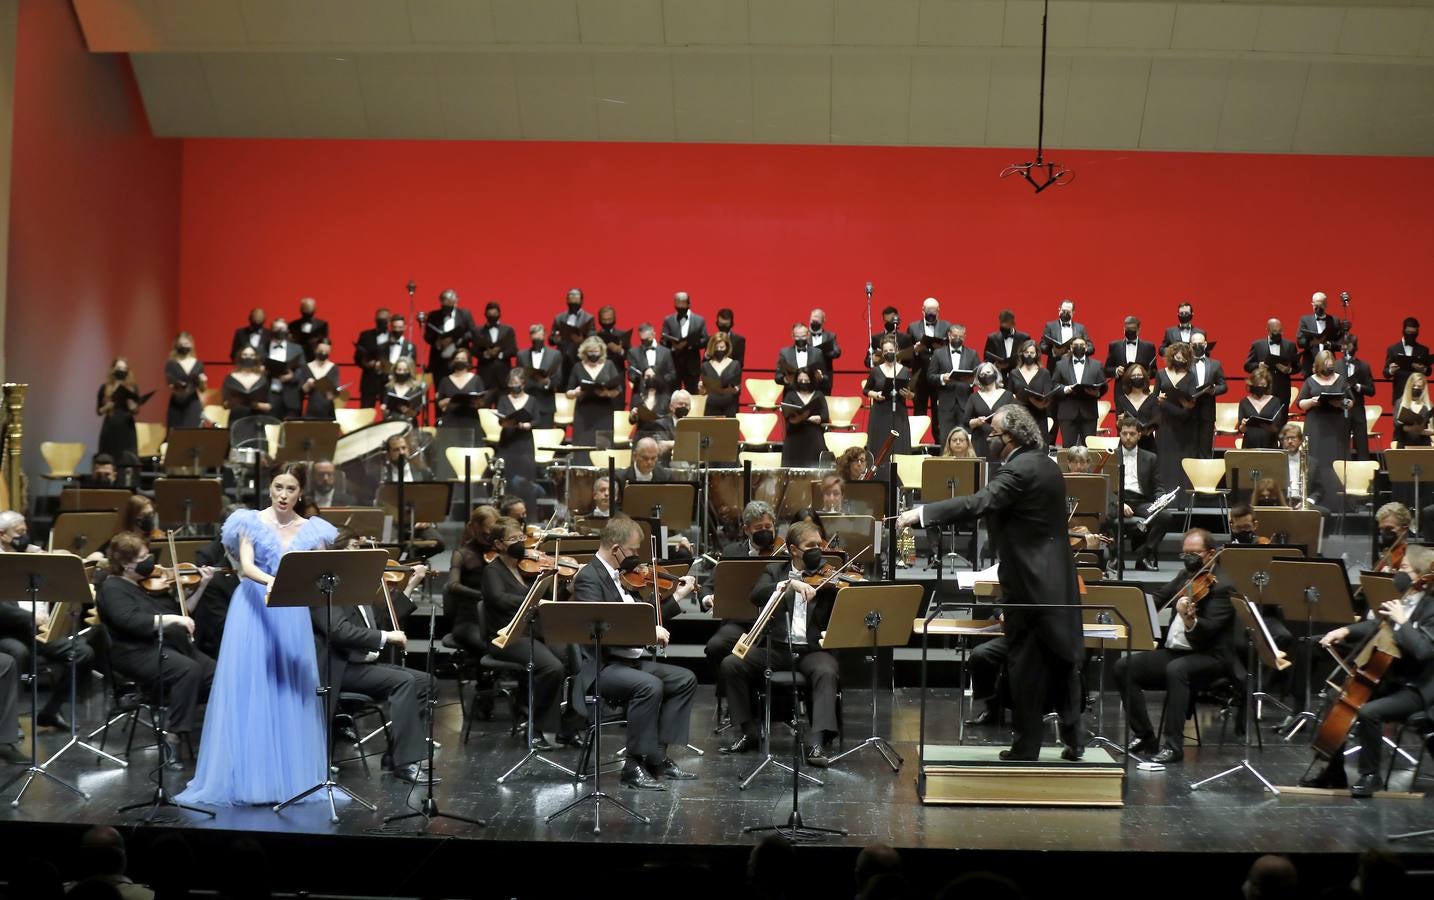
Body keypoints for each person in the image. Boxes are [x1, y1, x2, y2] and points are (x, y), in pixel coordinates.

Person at [897, 404, 1084, 761]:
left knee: (1026, 664)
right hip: (1056, 578)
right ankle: (1075, 739)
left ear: (1010, 436)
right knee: (1061, 660)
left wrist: (920, 514)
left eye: (993, 434)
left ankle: (1026, 748)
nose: (988, 440)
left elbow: (978, 503)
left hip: (1030, 583)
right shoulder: (1046, 463)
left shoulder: (1019, 469)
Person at [177, 464, 335, 805]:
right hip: (253, 608)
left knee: (289, 689)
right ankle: (247, 779)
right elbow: (246, 567)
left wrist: (305, 583)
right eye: (278, 486)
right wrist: (275, 582)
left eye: (290, 489)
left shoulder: (312, 530)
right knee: (252, 689)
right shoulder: (249, 521)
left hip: (290, 611)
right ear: (270, 488)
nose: (282, 494)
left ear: (300, 493)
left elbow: (321, 568)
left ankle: (289, 779)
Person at [570, 517, 699, 790]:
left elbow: (643, 614)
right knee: (649, 685)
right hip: (601, 665)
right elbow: (603, 628)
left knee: (684, 679)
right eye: (632, 551)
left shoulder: (620, 575)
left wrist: (676, 597)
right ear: (615, 548)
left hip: (627, 663)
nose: (636, 558)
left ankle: (657, 757)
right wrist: (646, 633)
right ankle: (633, 765)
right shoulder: (589, 578)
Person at [1305, 545, 1434, 796]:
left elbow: (1423, 651)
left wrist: (1403, 622)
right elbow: (1378, 625)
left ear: (1421, 574)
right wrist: (1345, 631)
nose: (1399, 571)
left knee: (1369, 712)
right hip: (1391, 677)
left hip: (1418, 687)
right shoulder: (1407, 596)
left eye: (1405, 567)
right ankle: (1334, 772)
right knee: (1337, 700)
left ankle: (1370, 775)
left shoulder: (1431, 608)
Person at [317, 528, 438, 784]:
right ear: (335, 552)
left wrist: (411, 586)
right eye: (353, 547)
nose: (360, 553)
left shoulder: (356, 585)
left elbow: (380, 622)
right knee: (404, 681)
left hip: (362, 664)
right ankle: (406, 763)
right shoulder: (327, 588)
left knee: (426, 682)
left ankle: (395, 755)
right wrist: (385, 638)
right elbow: (338, 631)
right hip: (342, 668)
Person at [719, 520, 843, 765]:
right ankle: (749, 732)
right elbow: (756, 595)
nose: (818, 550)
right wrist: (787, 585)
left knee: (826, 670)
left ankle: (816, 743)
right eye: (811, 545)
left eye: (819, 544)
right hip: (775, 648)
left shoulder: (828, 572)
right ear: (794, 550)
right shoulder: (774, 571)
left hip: (811, 649)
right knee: (731, 664)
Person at [1115, 528, 1241, 764]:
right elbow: (1159, 598)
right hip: (1177, 652)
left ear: (1211, 553)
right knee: (1124, 666)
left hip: (1211, 657)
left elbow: (1209, 631)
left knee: (1177, 670)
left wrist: (1190, 619)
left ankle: (1174, 746)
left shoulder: (1223, 587)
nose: (1189, 559)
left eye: (1194, 553)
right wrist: (1130, 601)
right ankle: (1145, 735)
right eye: (1185, 554)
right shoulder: (1187, 575)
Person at [98, 533, 216, 759]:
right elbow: (131, 621)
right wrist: (173, 620)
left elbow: (183, 612)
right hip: (136, 652)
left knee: (218, 675)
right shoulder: (112, 588)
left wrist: (202, 586)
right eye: (143, 557)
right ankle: (173, 736)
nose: (150, 561)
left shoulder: (146, 584)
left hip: (169, 645)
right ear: (125, 563)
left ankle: (208, 727)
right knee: (188, 671)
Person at [480, 519, 580, 750]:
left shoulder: (524, 568)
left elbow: (551, 599)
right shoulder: (492, 571)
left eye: (521, 538)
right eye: (513, 539)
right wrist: (534, 599)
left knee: (573, 657)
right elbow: (499, 599)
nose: (520, 543)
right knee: (551, 667)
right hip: (506, 638)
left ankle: (569, 727)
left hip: (533, 633)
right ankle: (535, 727)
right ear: (498, 544)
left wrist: (564, 586)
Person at [0, 510, 96, 731]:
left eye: (26, 531)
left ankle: (51, 711)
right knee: (17, 653)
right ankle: (7, 723)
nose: (24, 537)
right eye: (19, 533)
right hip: (8, 631)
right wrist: (30, 617)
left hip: (40, 630)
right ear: (2, 535)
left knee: (83, 653)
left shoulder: (32, 555)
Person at [700, 501, 781, 703]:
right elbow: (710, 584)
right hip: (740, 621)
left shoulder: (784, 552)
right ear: (746, 529)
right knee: (715, 646)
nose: (765, 531)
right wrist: (707, 598)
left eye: (768, 527)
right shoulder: (731, 552)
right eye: (758, 528)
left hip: (776, 623)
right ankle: (734, 697)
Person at [1296, 350, 1353, 508]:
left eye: (1331, 366)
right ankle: (1314, 499)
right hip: (1316, 426)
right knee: (1316, 462)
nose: (1329, 369)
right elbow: (1300, 403)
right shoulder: (1310, 381)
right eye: (1326, 366)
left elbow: (1351, 402)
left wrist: (1340, 403)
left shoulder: (1341, 379)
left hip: (1336, 426)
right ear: (1319, 365)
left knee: (1336, 462)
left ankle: (1338, 502)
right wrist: (1312, 402)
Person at [1114, 416, 1171, 571]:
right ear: (1120, 434)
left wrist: (1161, 498)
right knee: (1103, 513)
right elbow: (1105, 486)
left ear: (1139, 435)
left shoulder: (1150, 458)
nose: (1128, 437)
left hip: (1141, 501)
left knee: (1165, 516)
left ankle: (1144, 556)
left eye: (1132, 433)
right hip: (1117, 500)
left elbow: (1158, 486)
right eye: (1124, 433)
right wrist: (1119, 502)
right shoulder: (1111, 456)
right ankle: (1115, 558)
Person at [444, 505, 499, 658]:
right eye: (487, 533)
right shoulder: (462, 554)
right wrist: (482, 595)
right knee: (488, 646)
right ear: (475, 527)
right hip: (469, 620)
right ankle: (484, 680)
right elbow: (453, 585)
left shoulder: (501, 552)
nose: (490, 538)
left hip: (497, 619)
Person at [925, 427, 979, 569]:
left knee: (985, 516)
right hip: (947, 506)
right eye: (954, 440)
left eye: (961, 440)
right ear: (949, 443)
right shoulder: (940, 464)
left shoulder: (976, 463)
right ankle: (935, 556)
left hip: (967, 508)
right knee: (929, 514)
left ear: (968, 443)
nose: (958, 443)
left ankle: (973, 554)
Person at [1155, 342, 1199, 505]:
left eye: (1182, 358)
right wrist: (1162, 402)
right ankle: (1165, 500)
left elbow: (1191, 402)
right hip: (1165, 424)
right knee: (1165, 461)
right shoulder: (1161, 374)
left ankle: (1182, 501)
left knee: (1181, 463)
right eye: (1176, 357)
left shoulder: (1191, 375)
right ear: (1171, 357)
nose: (1179, 360)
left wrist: (1183, 405)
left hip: (1184, 424)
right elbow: (1155, 398)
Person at [567, 335, 623, 461]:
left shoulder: (609, 365)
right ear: (585, 352)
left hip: (604, 413)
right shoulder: (577, 367)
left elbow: (618, 390)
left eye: (596, 351)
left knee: (603, 452)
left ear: (601, 351)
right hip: (584, 414)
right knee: (582, 451)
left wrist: (607, 393)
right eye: (590, 352)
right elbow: (568, 392)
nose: (593, 354)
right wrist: (575, 392)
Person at [865, 334, 913, 468]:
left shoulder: (904, 371)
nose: (888, 353)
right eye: (885, 351)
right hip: (880, 413)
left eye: (891, 351)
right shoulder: (875, 371)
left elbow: (912, 394)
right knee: (879, 446)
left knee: (899, 446)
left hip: (899, 413)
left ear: (896, 351)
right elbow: (866, 390)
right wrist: (875, 394)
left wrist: (909, 395)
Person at [927, 323, 979, 442]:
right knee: (945, 439)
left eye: (961, 336)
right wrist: (941, 378)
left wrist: (972, 381)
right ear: (949, 335)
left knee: (966, 439)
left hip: (966, 403)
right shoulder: (938, 353)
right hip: (945, 403)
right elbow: (930, 377)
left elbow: (979, 375)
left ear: (965, 336)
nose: (958, 339)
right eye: (955, 336)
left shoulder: (972, 354)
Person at [495, 369, 540, 503]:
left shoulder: (532, 400)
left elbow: (537, 420)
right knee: (508, 476)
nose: (513, 385)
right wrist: (506, 423)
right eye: (511, 382)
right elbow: (500, 419)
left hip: (525, 443)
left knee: (526, 476)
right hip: (508, 442)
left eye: (516, 382)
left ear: (523, 383)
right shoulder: (503, 399)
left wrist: (528, 425)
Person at [1052, 336, 1106, 447]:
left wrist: (1097, 393)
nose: (1079, 347)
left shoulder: (1097, 365)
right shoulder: (1060, 365)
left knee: (1089, 449)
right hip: (1067, 413)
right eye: (1076, 345)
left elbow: (1103, 386)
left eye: (1082, 345)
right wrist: (1066, 389)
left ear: (1086, 347)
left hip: (1089, 413)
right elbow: (1053, 385)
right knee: (1068, 449)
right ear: (1071, 347)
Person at [906, 298, 950, 421]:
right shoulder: (913, 327)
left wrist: (942, 348)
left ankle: (939, 440)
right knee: (919, 412)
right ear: (923, 310)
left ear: (938, 310)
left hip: (938, 374)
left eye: (934, 310)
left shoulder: (947, 326)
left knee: (939, 413)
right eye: (929, 310)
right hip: (919, 375)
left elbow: (951, 350)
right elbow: (906, 353)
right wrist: (915, 349)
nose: (931, 312)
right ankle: (917, 440)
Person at [1188, 331, 1228, 457]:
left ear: (1205, 344)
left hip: (1207, 411)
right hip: (1188, 411)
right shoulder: (1185, 363)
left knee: (1205, 449)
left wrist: (1214, 390)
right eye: (1194, 344)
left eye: (1200, 343)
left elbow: (1224, 386)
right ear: (1190, 345)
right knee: (1189, 448)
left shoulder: (1215, 364)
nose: (1197, 346)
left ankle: (1205, 476)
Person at [472, 300, 518, 407]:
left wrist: (499, 354)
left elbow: (514, 350)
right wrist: (486, 354)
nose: (492, 316)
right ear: (485, 315)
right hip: (485, 379)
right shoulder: (477, 331)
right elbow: (473, 351)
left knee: (503, 413)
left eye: (495, 314)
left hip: (503, 379)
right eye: (490, 314)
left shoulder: (508, 330)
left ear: (499, 314)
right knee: (483, 412)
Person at [1007, 339, 1053, 444]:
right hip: (1019, 415)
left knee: (1039, 447)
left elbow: (1048, 396)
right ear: (1022, 354)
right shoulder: (1014, 373)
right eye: (1026, 352)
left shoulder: (1044, 373)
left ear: (1037, 354)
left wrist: (1038, 401)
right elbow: (1009, 394)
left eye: (1032, 353)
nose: (1029, 355)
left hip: (1039, 415)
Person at [424, 288, 476, 382]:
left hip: (460, 359)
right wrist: (437, 342)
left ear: (455, 302)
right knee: (440, 389)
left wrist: (455, 340)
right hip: (440, 360)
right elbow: (427, 336)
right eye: (445, 304)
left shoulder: (464, 314)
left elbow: (472, 332)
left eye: (450, 304)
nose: (447, 308)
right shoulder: (433, 315)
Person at [1244, 319, 1299, 408]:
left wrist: (1289, 370)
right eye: (1274, 331)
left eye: (1280, 331)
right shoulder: (1258, 345)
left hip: (1283, 390)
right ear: (1268, 330)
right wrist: (1259, 366)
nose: (1278, 333)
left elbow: (1298, 367)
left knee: (1282, 418)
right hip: (1262, 390)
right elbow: (1247, 366)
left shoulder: (1290, 345)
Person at [661, 291, 708, 393]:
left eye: (682, 303)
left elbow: (705, 340)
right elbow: (663, 340)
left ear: (689, 304)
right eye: (677, 302)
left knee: (693, 395)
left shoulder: (699, 320)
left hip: (692, 364)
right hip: (673, 364)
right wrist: (673, 346)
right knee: (672, 395)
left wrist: (689, 344)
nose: (680, 305)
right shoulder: (668, 320)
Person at [779, 367, 826, 467]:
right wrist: (798, 418)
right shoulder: (790, 395)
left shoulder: (819, 395)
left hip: (814, 436)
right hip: (794, 436)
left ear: (811, 380)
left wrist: (817, 418)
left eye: (806, 380)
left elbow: (825, 415)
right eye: (801, 380)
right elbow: (787, 414)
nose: (803, 382)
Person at [97, 358, 141, 463]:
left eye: (124, 368)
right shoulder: (105, 387)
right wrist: (107, 406)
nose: (121, 370)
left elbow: (136, 410)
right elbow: (99, 411)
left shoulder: (133, 387)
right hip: (110, 429)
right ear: (113, 369)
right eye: (119, 368)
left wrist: (132, 406)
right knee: (109, 460)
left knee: (127, 461)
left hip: (127, 429)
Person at [966, 362, 1012, 460]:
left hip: (1002, 441)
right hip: (980, 441)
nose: (985, 376)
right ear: (978, 378)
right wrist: (976, 422)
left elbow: (1016, 418)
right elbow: (966, 422)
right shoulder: (973, 397)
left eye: (988, 372)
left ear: (995, 374)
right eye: (982, 374)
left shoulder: (1008, 395)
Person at [520, 323, 563, 427]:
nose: (538, 338)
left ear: (544, 336)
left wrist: (547, 382)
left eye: (540, 336)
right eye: (535, 336)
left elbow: (558, 379)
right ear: (530, 336)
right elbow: (518, 376)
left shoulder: (555, 355)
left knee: (546, 439)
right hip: (526, 404)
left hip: (546, 403)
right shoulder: (521, 355)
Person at [1341, 335, 1377, 459]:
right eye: (1344, 344)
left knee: (1362, 446)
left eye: (1349, 344)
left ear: (1355, 347)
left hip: (1358, 410)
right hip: (1341, 410)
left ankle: (1365, 473)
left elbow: (1372, 391)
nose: (1346, 347)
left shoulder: (1364, 366)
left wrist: (1357, 386)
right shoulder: (1336, 365)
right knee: (1341, 445)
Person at [263, 319, 306, 419]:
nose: (279, 331)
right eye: (276, 328)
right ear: (271, 330)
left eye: (282, 328)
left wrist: (292, 376)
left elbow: (303, 370)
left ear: (287, 330)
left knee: (291, 431)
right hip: (269, 396)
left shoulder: (297, 349)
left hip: (290, 396)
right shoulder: (262, 348)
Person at [1236, 364, 1286, 450]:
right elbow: (1242, 429)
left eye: (1263, 385)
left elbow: (1277, 427)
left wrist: (1270, 427)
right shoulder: (1244, 402)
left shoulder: (1275, 401)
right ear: (1251, 384)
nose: (1260, 387)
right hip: (1249, 445)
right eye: (1257, 384)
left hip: (1269, 445)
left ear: (1267, 385)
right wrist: (1243, 426)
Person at [550, 287, 594, 382]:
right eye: (571, 295)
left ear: (582, 300)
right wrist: (555, 339)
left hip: (580, 357)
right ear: (567, 299)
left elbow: (593, 339)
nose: (573, 297)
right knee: (561, 385)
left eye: (576, 295)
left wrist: (582, 341)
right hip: (562, 357)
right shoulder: (559, 317)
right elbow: (551, 338)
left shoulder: (588, 318)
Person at [1384, 316, 1430, 407]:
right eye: (1409, 332)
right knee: (1399, 421)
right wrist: (1391, 370)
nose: (1411, 335)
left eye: (1414, 333)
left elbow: (1429, 371)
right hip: (1400, 395)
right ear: (1403, 331)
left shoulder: (1423, 350)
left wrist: (1423, 369)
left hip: (1418, 396)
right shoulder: (1393, 349)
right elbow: (1385, 373)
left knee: (1419, 421)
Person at [434, 347, 484, 431]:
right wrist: (448, 401)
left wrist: (477, 402)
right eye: (457, 358)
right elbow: (439, 404)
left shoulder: (476, 379)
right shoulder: (445, 381)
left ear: (468, 361)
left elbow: (482, 403)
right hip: (450, 422)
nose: (459, 361)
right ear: (453, 361)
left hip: (470, 420)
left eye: (463, 358)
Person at [1297, 291, 1345, 375]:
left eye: (1320, 305)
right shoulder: (1305, 320)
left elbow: (1341, 343)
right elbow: (1300, 342)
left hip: (1329, 365)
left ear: (1326, 305)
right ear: (1312, 304)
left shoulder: (1334, 321)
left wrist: (1329, 344)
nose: (1318, 308)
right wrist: (1312, 342)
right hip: (1311, 366)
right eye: (1315, 305)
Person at [165, 333, 207, 428]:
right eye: (181, 344)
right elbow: (170, 383)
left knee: (194, 432)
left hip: (193, 403)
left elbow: (202, 389)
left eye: (186, 343)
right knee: (177, 434)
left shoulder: (198, 364)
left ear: (191, 345)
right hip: (177, 403)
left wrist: (202, 381)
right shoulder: (171, 363)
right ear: (177, 346)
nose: (184, 346)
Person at [775, 323, 831, 394]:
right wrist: (785, 379)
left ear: (808, 335)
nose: (800, 339)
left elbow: (826, 377)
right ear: (792, 336)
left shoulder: (817, 353)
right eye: (797, 337)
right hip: (791, 395)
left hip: (812, 394)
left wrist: (820, 376)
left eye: (803, 336)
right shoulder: (784, 353)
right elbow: (777, 377)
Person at [354, 308, 393, 409]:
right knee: (365, 412)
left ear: (389, 321)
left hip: (387, 381)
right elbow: (357, 358)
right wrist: (366, 363)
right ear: (375, 320)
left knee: (389, 413)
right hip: (369, 380)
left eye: (384, 320)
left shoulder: (393, 337)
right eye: (379, 320)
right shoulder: (365, 335)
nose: (382, 323)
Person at [1113, 363, 1156, 452]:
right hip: (1127, 442)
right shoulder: (1121, 400)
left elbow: (1155, 422)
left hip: (1148, 444)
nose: (1137, 377)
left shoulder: (1152, 398)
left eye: (1139, 375)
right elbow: (1118, 426)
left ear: (1144, 377)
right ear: (1129, 379)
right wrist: (1120, 422)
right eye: (1133, 376)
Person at [222, 348, 272, 424]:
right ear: (240, 357)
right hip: (236, 418)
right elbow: (225, 405)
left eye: (251, 355)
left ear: (256, 358)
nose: (248, 357)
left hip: (257, 420)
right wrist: (234, 402)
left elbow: (269, 406)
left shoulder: (263, 379)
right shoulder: (230, 378)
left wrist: (254, 404)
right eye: (245, 355)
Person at [1039, 299, 1089, 372]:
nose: (1065, 313)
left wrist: (1077, 350)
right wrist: (1053, 351)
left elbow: (1091, 347)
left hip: (1076, 367)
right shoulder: (1050, 326)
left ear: (1073, 312)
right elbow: (1042, 346)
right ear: (1059, 310)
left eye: (1068, 312)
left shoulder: (1080, 328)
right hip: (1054, 366)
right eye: (1063, 310)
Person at [699, 332, 742, 417]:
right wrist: (701, 388)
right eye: (716, 347)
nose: (719, 349)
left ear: (727, 347)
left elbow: (737, 389)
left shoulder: (735, 365)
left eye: (722, 347)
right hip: (711, 407)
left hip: (729, 407)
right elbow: (703, 392)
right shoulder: (705, 366)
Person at [297, 338, 340, 420]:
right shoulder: (307, 367)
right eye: (321, 351)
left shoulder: (334, 368)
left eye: (326, 352)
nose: (323, 353)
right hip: (312, 408)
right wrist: (308, 384)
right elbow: (303, 390)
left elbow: (335, 389)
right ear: (315, 350)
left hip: (328, 410)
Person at [1105, 316, 1156, 383]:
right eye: (1127, 329)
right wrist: (1116, 370)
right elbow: (1106, 370)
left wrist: (1144, 373)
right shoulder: (1115, 346)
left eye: (1132, 329)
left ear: (1138, 330)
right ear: (1124, 329)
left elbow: (1154, 371)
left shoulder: (1148, 347)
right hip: (1121, 389)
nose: (1130, 331)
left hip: (1141, 389)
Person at [982, 308, 1029, 375]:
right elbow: (987, 360)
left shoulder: (1024, 338)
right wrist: (996, 365)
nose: (1003, 329)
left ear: (1013, 324)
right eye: (1002, 325)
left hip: (1019, 377)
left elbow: (1029, 358)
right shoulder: (992, 338)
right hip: (999, 377)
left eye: (1006, 327)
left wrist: (1011, 364)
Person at [383, 358, 426, 425]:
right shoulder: (389, 387)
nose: (402, 372)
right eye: (399, 370)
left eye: (405, 370)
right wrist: (384, 410)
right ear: (395, 370)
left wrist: (408, 411)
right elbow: (386, 411)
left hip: (409, 424)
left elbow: (416, 413)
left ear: (410, 371)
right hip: (392, 423)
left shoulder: (416, 388)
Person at [1394, 372, 1432, 447]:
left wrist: (1419, 430)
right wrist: (1413, 429)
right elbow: (1397, 424)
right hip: (1404, 444)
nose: (1416, 388)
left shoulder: (1428, 406)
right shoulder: (1401, 403)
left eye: (1419, 386)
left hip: (1424, 446)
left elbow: (1432, 429)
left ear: (1423, 388)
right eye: (1414, 386)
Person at [293, 296, 329, 361]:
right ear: (301, 310)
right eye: (305, 310)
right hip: (297, 358)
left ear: (314, 309)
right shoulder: (293, 325)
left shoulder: (322, 325)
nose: (307, 313)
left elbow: (323, 342)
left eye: (309, 309)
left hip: (315, 358)